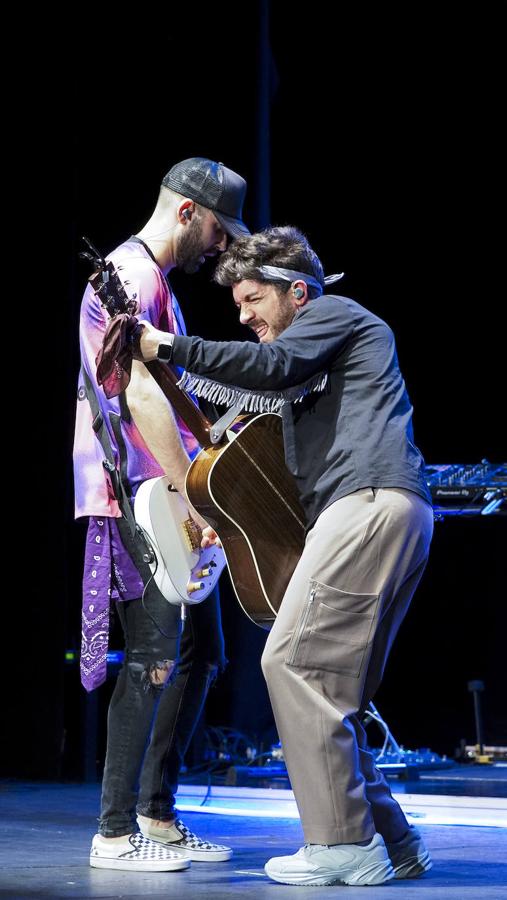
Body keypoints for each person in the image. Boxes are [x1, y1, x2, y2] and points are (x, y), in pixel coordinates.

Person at [137, 225, 435, 886]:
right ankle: (394, 841)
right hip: (385, 509)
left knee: (292, 661)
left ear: (295, 292)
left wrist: (169, 346)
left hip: (370, 503)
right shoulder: (322, 365)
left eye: (251, 301)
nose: (243, 317)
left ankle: (340, 846)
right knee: (332, 690)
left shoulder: (332, 314)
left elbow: (267, 368)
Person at [73, 157, 249, 872]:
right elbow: (141, 398)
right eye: (217, 228)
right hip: (139, 493)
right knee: (152, 654)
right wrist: (194, 496)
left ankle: (157, 814)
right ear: (186, 212)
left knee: (201, 653)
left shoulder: (156, 284)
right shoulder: (134, 273)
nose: (221, 244)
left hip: (164, 489)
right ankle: (114, 834)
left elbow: (167, 394)